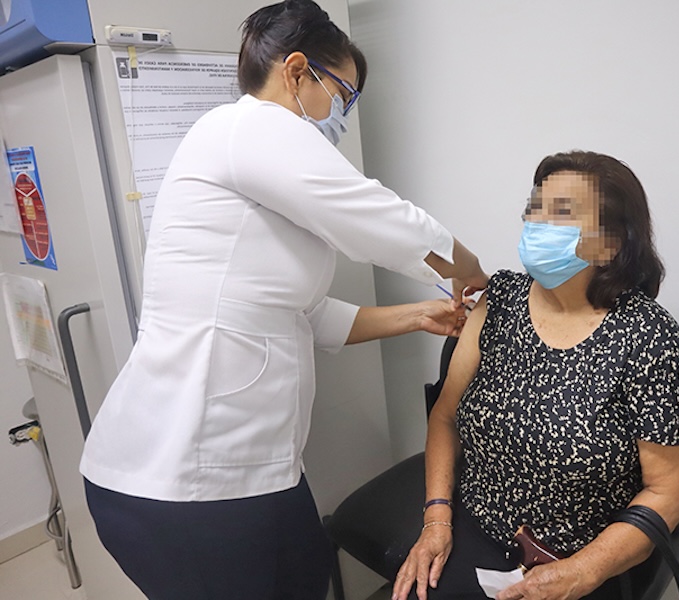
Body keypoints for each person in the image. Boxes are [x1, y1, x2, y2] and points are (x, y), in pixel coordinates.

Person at [79, 1, 488, 599]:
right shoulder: (247, 127)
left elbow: (304, 314)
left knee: (306, 575)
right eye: (342, 95)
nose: (342, 116)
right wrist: (472, 272)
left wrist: (420, 314)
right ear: (296, 71)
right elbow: (384, 222)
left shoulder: (257, 162)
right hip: (178, 472)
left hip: (258, 465)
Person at [393, 151, 679, 600]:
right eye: (534, 208)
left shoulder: (650, 339)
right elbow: (446, 416)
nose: (537, 223)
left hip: (587, 558)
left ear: (608, 245)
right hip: (475, 527)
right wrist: (436, 520)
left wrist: (583, 571)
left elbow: (672, 491)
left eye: (561, 213)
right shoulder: (499, 301)